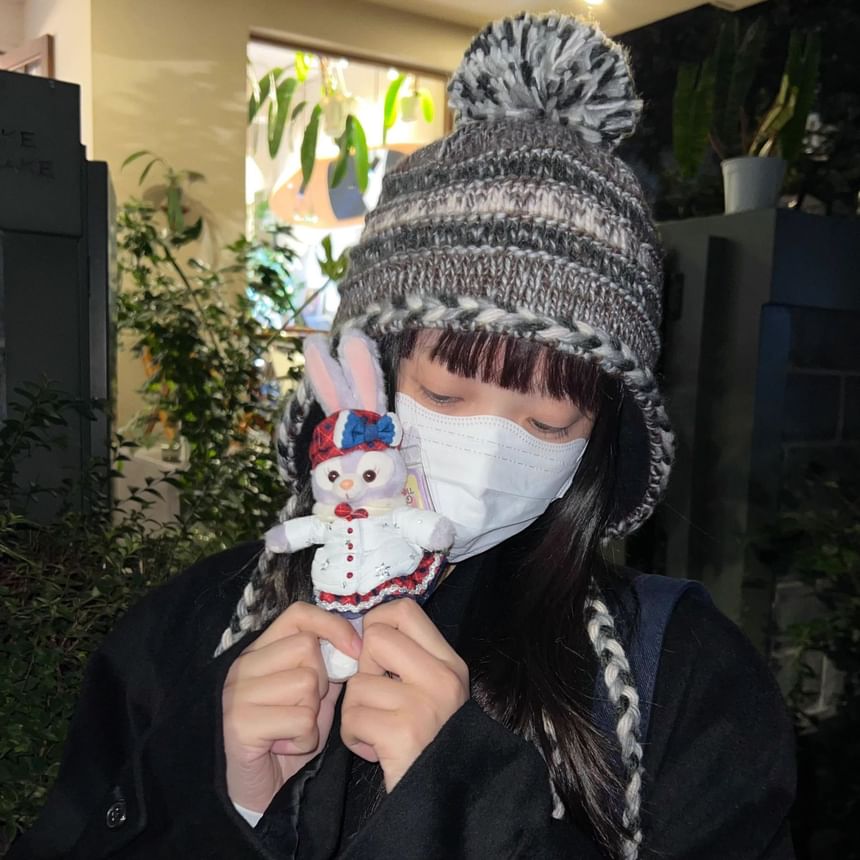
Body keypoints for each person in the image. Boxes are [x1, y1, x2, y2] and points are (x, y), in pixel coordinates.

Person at [10, 12, 796, 860]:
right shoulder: (191, 627)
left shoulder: (680, 675)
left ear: (601, 436)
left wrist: (469, 805)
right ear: (368, 375)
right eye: (446, 393)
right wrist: (220, 801)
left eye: (547, 421)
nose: (487, 458)